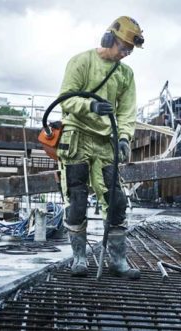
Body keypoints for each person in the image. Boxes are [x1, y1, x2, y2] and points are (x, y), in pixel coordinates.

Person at [56, 16, 144, 279]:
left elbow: (127, 112)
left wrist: (125, 137)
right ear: (108, 38)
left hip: (106, 142)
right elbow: (65, 98)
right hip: (78, 137)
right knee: (77, 200)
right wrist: (89, 105)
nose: (126, 53)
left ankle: (117, 261)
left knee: (116, 202)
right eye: (123, 47)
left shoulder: (125, 74)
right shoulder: (81, 62)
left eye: (130, 50)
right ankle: (80, 259)